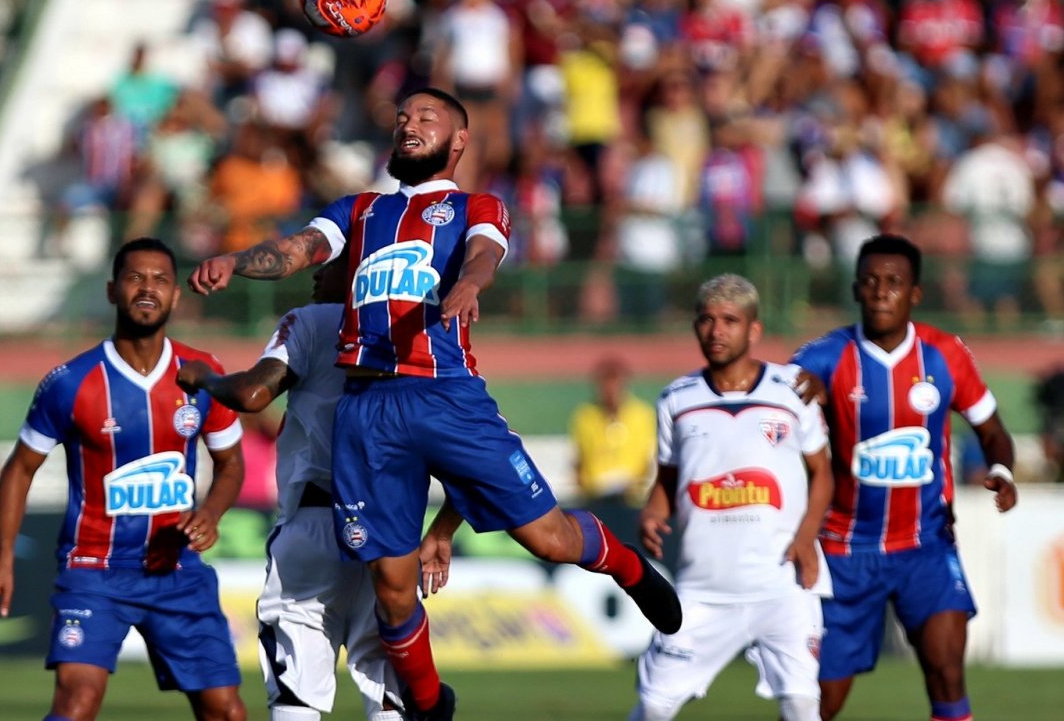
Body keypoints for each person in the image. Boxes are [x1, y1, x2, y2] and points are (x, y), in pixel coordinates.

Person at [188, 87, 681, 720]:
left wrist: (470, 284)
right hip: (367, 407)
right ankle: (427, 705)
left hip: (446, 395)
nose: (409, 124)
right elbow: (297, 251)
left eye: (427, 117)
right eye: (401, 117)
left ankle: (632, 570)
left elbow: (485, 253)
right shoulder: (359, 210)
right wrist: (234, 259)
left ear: (459, 139)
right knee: (392, 590)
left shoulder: (477, 206)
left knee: (552, 540)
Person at [0, 238, 248, 721]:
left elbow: (231, 463)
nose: (148, 288)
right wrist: (2, 561)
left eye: (161, 279)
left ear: (176, 296)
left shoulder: (202, 373)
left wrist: (210, 513)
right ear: (111, 291)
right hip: (94, 569)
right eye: (135, 277)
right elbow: (19, 469)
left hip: (177, 572)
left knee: (226, 711)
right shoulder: (70, 382)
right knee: (77, 702)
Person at [792, 235, 1019, 721]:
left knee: (948, 673)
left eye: (893, 283)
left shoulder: (945, 355)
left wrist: (1000, 469)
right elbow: (767, 411)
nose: (881, 292)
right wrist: (786, 396)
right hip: (845, 552)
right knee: (815, 702)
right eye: (871, 282)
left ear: (914, 293)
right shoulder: (824, 358)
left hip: (925, 546)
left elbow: (993, 430)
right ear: (856, 289)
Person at [176, 255, 413, 721]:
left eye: (328, 264)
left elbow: (252, 394)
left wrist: (205, 379)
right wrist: (442, 530)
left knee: (295, 687)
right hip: (392, 524)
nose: (315, 274)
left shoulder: (310, 321)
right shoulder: (416, 329)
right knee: (387, 682)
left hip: (317, 517)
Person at [631, 274, 833, 721]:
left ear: (754, 330)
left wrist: (806, 538)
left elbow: (823, 474)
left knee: (802, 706)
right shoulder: (676, 399)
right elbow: (668, 478)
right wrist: (653, 511)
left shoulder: (793, 390)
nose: (716, 331)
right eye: (706, 320)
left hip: (782, 585)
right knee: (653, 705)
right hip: (702, 591)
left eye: (729, 320)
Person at [569, 357, 655, 507]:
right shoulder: (585, 416)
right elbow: (579, 461)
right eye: (605, 383)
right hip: (596, 497)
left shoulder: (642, 415)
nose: (610, 390)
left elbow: (649, 460)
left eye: (615, 383)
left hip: (632, 498)